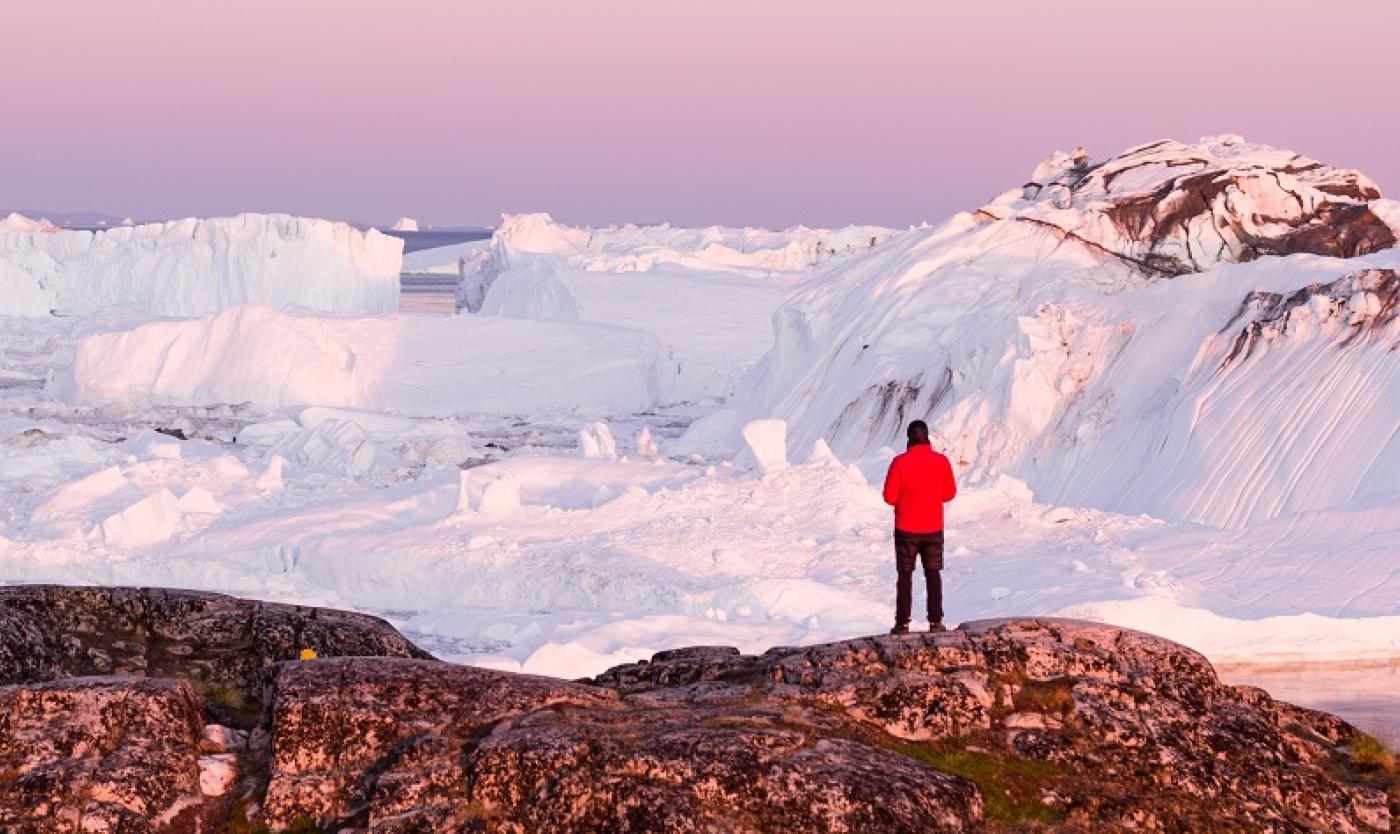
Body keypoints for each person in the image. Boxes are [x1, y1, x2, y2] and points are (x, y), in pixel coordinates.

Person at [881, 420, 957, 634]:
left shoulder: (899, 462)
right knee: (933, 574)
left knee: (905, 576)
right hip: (933, 528)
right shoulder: (941, 462)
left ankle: (902, 623)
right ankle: (936, 622)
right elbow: (949, 493)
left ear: (908, 439)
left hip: (906, 530)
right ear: (927, 438)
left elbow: (889, 496)